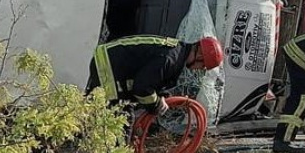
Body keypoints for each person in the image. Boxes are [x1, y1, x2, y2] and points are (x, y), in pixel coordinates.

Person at [88, 35, 225, 115]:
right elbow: (141, 88)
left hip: (110, 62)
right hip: (107, 66)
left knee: (115, 115)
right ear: (199, 55)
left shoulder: (177, 52)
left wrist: (162, 96)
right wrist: (157, 104)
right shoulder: (170, 60)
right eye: (202, 66)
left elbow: (154, 79)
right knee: (119, 121)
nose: (198, 70)